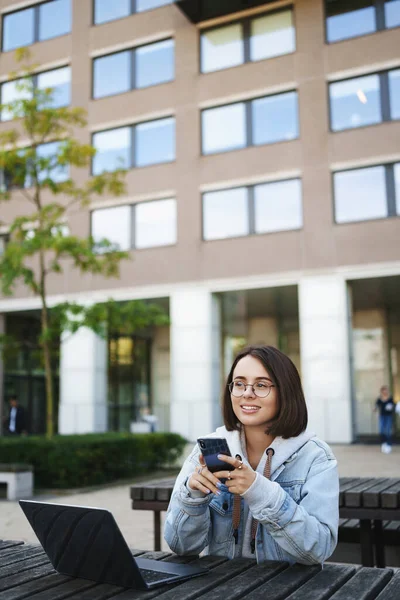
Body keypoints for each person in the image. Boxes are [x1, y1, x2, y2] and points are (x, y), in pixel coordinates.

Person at [164, 345, 339, 565]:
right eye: (239, 384)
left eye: (261, 385)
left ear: (285, 391)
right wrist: (193, 497)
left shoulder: (315, 456)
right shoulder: (209, 448)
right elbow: (181, 547)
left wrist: (260, 491)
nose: (247, 393)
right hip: (221, 587)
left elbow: (318, 549)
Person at [374, 385, 395, 454]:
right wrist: (375, 409)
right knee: (382, 430)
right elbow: (376, 406)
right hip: (382, 416)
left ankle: (389, 445)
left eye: (386, 390)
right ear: (381, 391)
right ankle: (384, 444)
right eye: (383, 390)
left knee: (388, 431)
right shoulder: (379, 399)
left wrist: (390, 407)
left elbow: (393, 405)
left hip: (388, 416)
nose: (385, 391)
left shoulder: (390, 398)